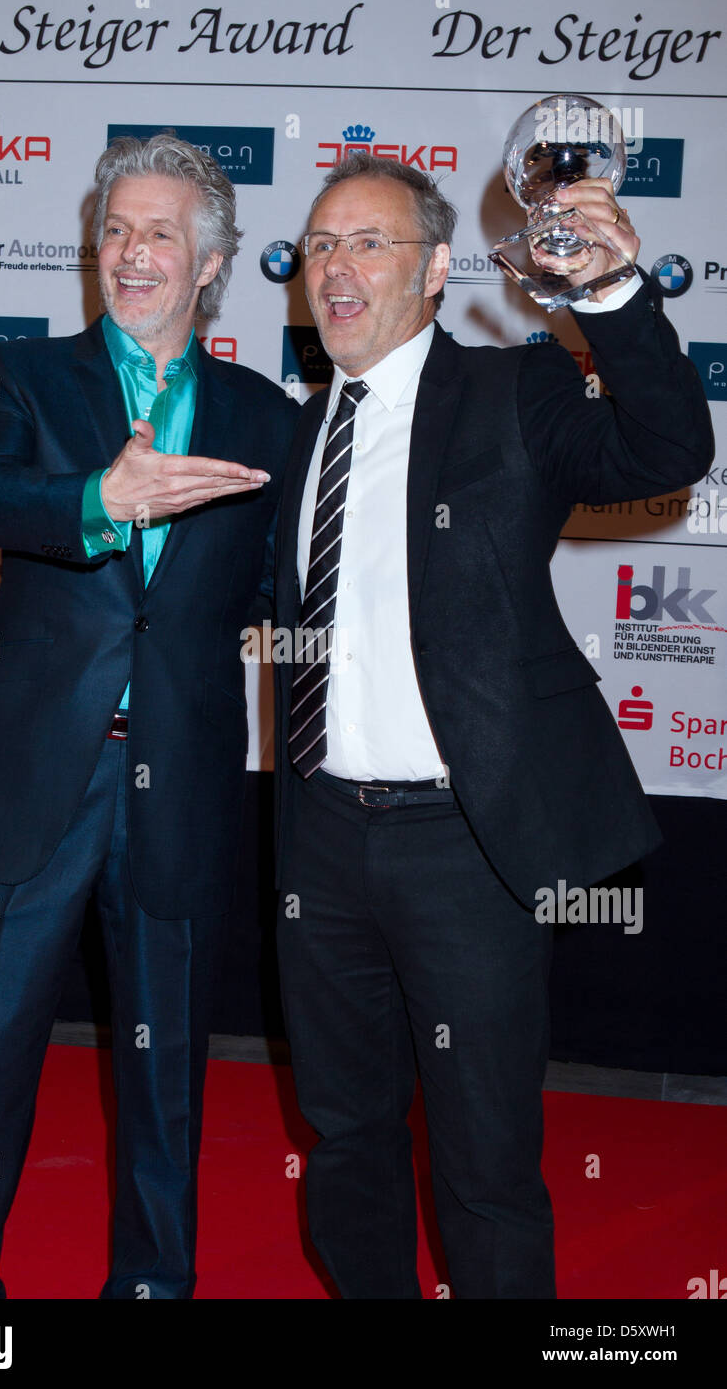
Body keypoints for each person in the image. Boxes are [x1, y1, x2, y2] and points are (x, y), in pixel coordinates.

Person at [273, 153, 713, 1299]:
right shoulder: (294, 430)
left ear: (430, 272)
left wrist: (610, 297)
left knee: (481, 1156)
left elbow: (664, 452)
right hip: (319, 840)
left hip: (466, 845)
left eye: (366, 243)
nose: (336, 268)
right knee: (345, 1131)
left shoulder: (509, 390)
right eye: (320, 246)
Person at [0, 133, 299, 1299]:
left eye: (161, 232)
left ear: (212, 263)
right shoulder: (16, 374)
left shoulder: (266, 416)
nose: (132, 253)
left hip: (176, 779)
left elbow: (296, 584)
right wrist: (99, 497)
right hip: (32, 777)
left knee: (166, 1067)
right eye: (116, 229)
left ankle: (148, 1291)